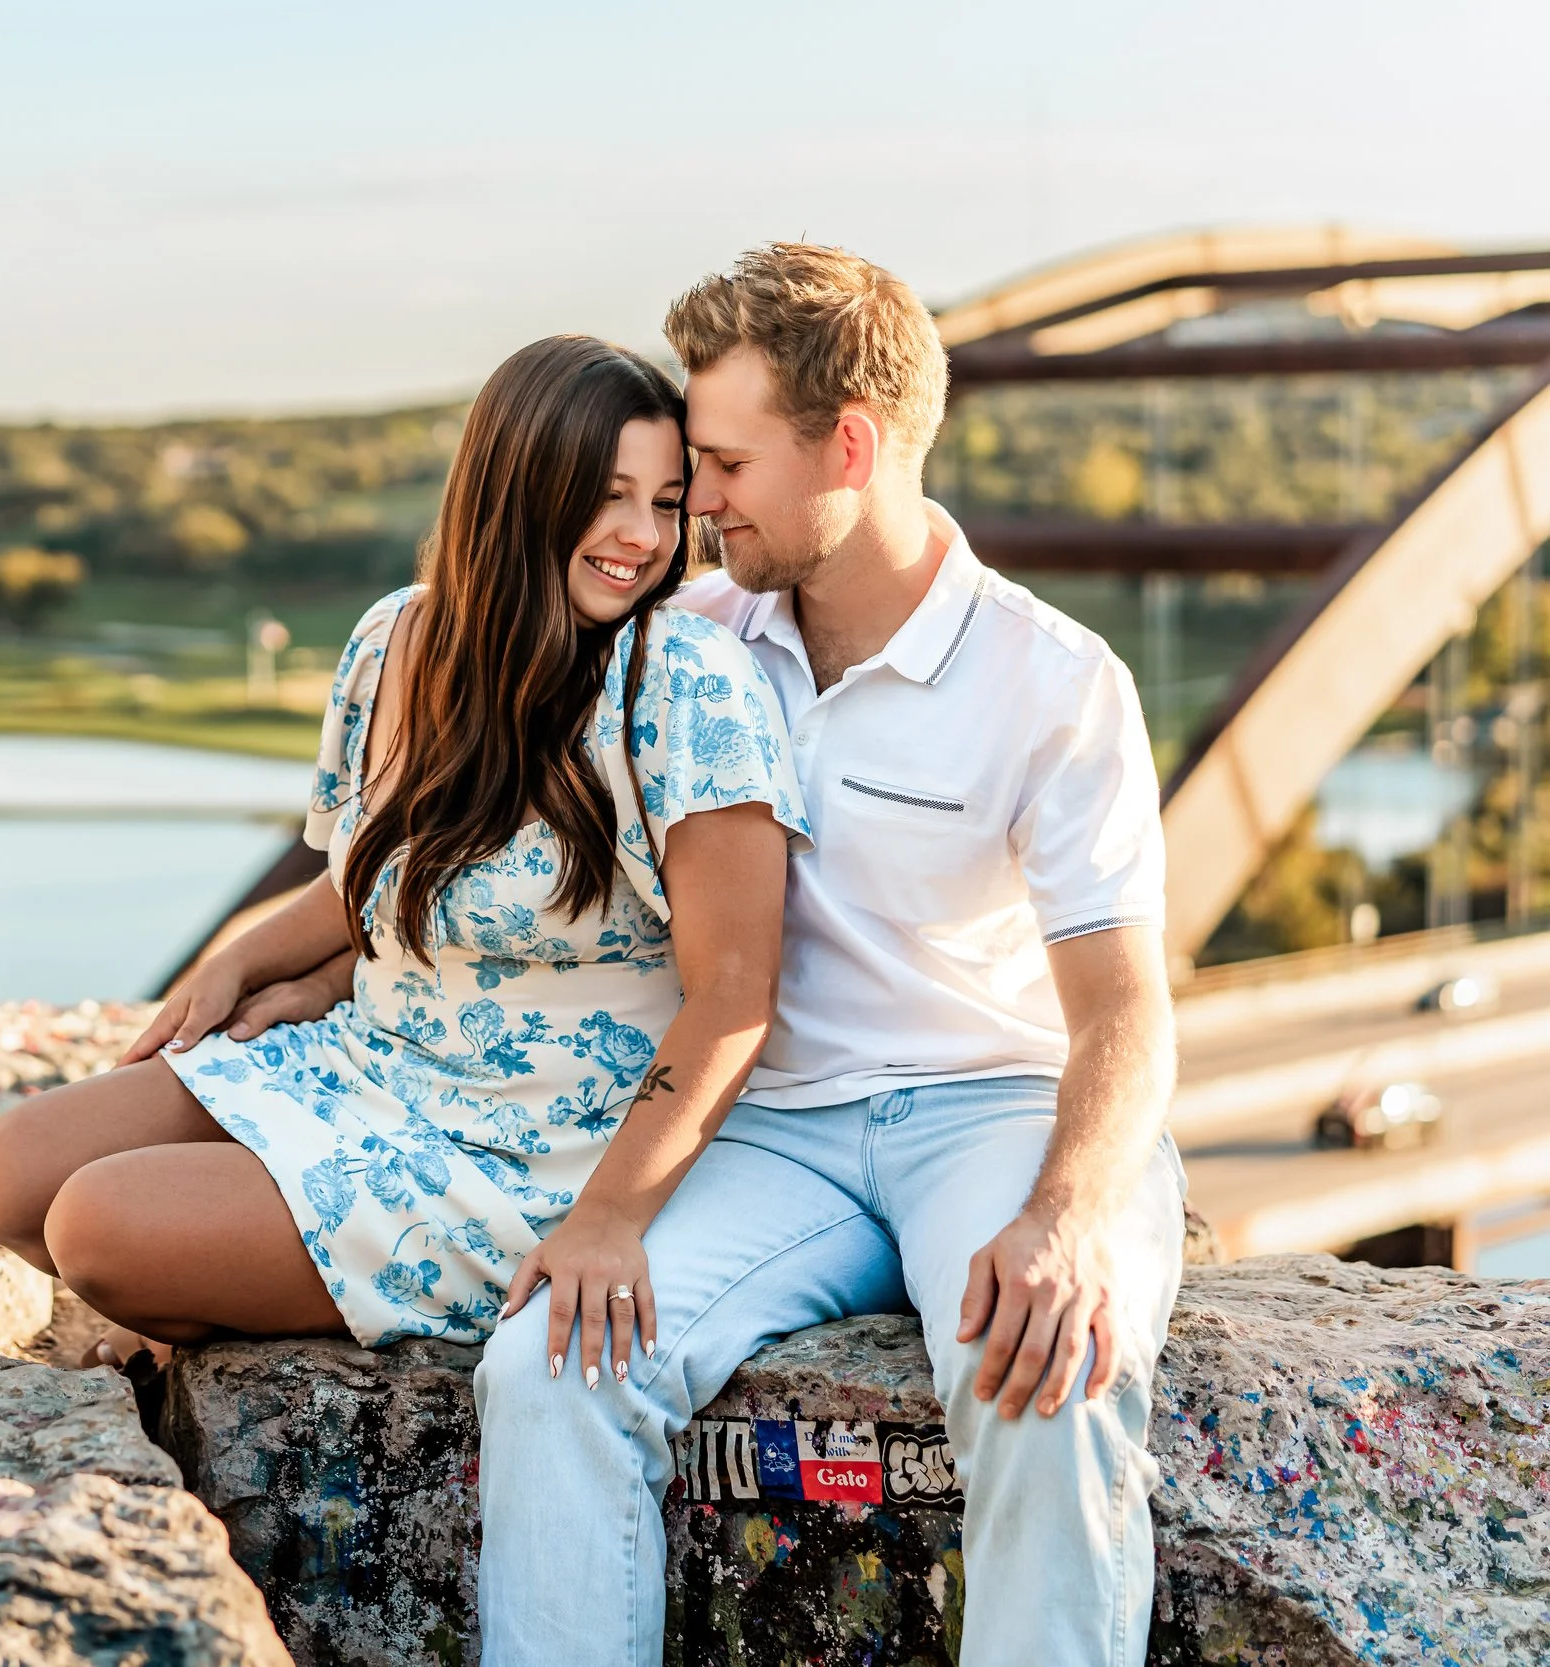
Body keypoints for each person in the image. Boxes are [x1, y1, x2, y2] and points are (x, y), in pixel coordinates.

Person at [468, 245, 1187, 1666]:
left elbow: (1121, 1009)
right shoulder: (693, 637)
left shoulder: (1055, 680)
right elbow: (490, 829)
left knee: (1046, 1367)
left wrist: (1067, 1212)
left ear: (848, 444)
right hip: (771, 1130)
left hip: (987, 1113)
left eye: (725, 463)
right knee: (549, 1362)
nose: (699, 501)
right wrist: (293, 953)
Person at [0, 333, 809, 1367]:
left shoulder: (683, 679)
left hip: (529, 1155)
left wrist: (611, 1216)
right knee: (8, 1177)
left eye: (666, 501)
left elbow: (733, 990)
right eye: (607, 494)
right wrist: (245, 962)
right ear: (518, 488)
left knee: (98, 1223)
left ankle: (293, 1289)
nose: (640, 535)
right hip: (374, 1063)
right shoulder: (396, 639)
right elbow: (375, 875)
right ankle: (265, 1271)